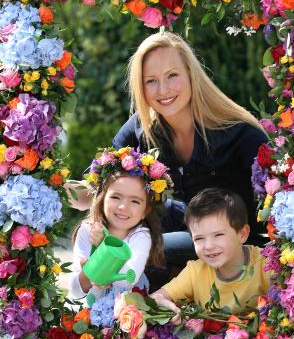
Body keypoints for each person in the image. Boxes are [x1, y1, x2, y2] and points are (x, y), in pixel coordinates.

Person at [67, 31, 267, 283]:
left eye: (172, 75)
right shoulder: (143, 127)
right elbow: (96, 186)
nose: (163, 90)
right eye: (151, 81)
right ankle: (101, 295)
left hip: (233, 242)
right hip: (187, 223)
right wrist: (53, 188)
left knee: (141, 249)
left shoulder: (240, 134)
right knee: (138, 214)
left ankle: (132, 295)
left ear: (191, 75)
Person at [69, 147, 171, 326]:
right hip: (87, 317)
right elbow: (76, 290)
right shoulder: (88, 230)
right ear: (101, 197)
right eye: (116, 197)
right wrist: (89, 276)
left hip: (127, 319)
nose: (123, 207)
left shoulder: (141, 235)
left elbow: (127, 279)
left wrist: (102, 250)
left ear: (145, 210)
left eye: (135, 201)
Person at [151, 188, 272, 317]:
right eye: (199, 238)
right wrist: (162, 303)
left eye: (218, 235)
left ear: (242, 234)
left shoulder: (265, 264)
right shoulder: (195, 272)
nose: (208, 246)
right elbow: (156, 297)